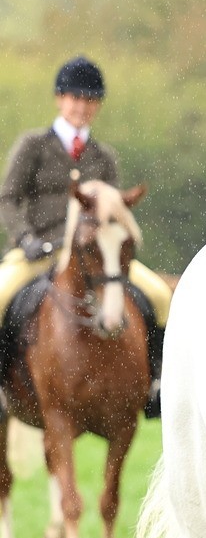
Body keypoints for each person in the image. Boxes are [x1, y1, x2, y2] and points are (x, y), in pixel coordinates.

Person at [0, 56, 174, 413]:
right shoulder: (33, 145)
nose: (82, 106)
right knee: (0, 297)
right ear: (59, 99)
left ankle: (156, 383)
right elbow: (8, 197)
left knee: (158, 295)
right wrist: (25, 238)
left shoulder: (103, 156)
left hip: (93, 256)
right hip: (39, 251)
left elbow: (111, 211)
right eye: (75, 98)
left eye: (90, 100)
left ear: (97, 106)